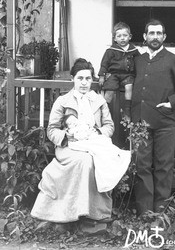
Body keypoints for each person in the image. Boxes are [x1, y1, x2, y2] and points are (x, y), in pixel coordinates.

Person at [31, 58, 130, 233]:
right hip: (69, 146)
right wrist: (67, 136)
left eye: (88, 78)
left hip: (94, 144)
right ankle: (67, 215)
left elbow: (109, 126)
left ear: (92, 80)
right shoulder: (62, 101)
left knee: (98, 160)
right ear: (73, 80)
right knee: (84, 161)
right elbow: (51, 130)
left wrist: (96, 133)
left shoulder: (98, 101)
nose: (84, 83)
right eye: (80, 78)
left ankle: (94, 217)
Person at [131, 19, 175, 214]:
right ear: (145, 36)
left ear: (164, 37)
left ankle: (160, 212)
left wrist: (170, 103)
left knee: (163, 167)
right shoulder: (138, 60)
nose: (155, 37)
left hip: (165, 122)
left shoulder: (173, 59)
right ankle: (145, 212)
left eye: (159, 33)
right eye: (151, 33)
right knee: (142, 167)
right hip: (141, 122)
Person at [98, 22, 140, 121]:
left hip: (128, 75)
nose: (122, 38)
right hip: (114, 74)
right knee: (110, 91)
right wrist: (101, 76)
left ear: (130, 37)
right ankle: (103, 111)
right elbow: (104, 63)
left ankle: (127, 110)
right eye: (119, 36)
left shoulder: (133, 50)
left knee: (129, 87)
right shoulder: (111, 51)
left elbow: (139, 62)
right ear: (115, 38)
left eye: (125, 35)